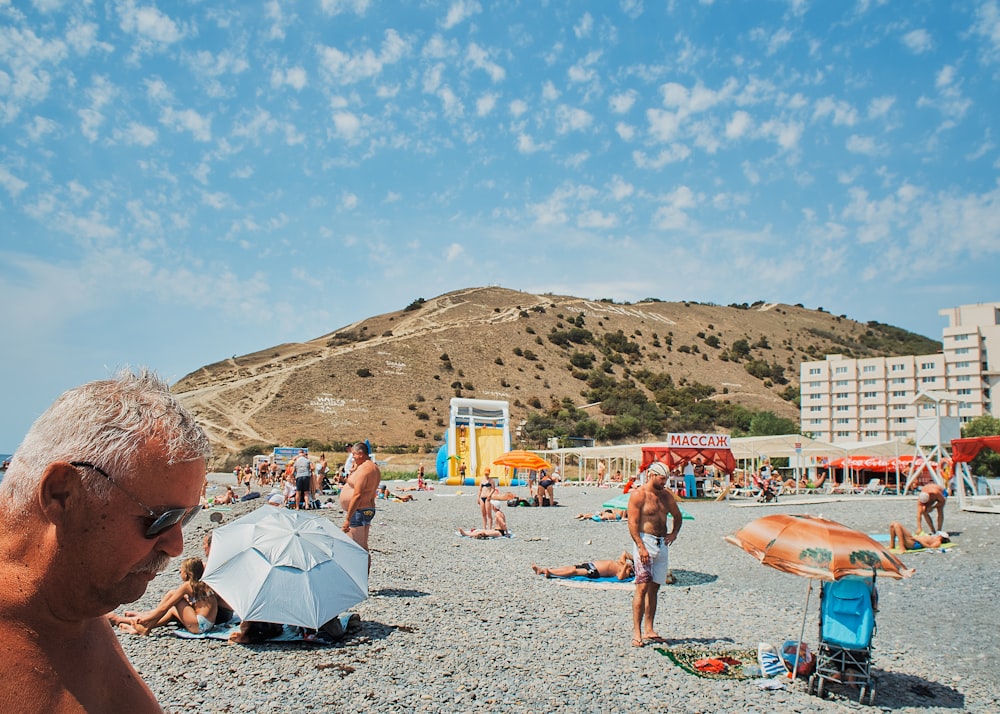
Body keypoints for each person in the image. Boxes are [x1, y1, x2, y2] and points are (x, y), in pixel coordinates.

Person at [0, 368, 210, 712]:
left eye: (187, 517)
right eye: (161, 520)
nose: (176, 546)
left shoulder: (73, 596)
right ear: (62, 496)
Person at [628, 461, 683, 648]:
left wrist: (674, 533)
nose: (664, 482)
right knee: (641, 587)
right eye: (662, 478)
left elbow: (678, 516)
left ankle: (649, 629)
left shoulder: (666, 496)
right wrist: (641, 546)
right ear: (652, 475)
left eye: (666, 479)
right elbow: (633, 524)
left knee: (654, 588)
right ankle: (637, 633)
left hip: (662, 543)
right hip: (646, 541)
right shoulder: (639, 496)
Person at [112, 557, 218, 636]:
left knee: (172, 595)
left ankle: (145, 625)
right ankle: (144, 627)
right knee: (172, 608)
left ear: (187, 573)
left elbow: (164, 607)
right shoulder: (205, 584)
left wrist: (148, 618)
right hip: (208, 624)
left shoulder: (187, 586)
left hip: (199, 626)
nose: (180, 573)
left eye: (181, 571)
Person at [340, 442, 381, 571]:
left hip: (359, 510)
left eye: (354, 455)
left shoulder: (364, 470)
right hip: (368, 508)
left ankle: (359, 584)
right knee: (363, 546)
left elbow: (357, 495)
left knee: (355, 548)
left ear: (361, 454)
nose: (353, 458)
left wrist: (347, 519)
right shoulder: (373, 468)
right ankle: (363, 582)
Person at [531, 551, 633, 580]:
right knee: (571, 568)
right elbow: (625, 553)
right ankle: (542, 570)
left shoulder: (626, 570)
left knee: (574, 571)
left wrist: (626, 567)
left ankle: (550, 572)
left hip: (595, 571)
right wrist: (634, 560)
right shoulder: (622, 562)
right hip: (590, 565)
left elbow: (620, 577)